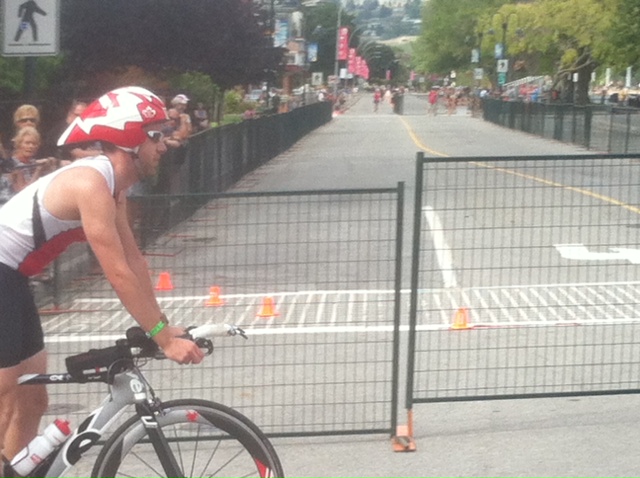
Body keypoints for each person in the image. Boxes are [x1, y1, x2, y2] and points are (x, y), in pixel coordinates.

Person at [0, 86, 204, 476]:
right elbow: (117, 273)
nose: (164, 145)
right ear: (129, 140)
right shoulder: (91, 184)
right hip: (2, 275)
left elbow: (134, 262)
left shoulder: (114, 185)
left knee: (33, 400)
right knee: (5, 397)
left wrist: (163, 326)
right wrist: (163, 339)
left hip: (13, 279)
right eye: (156, 135)